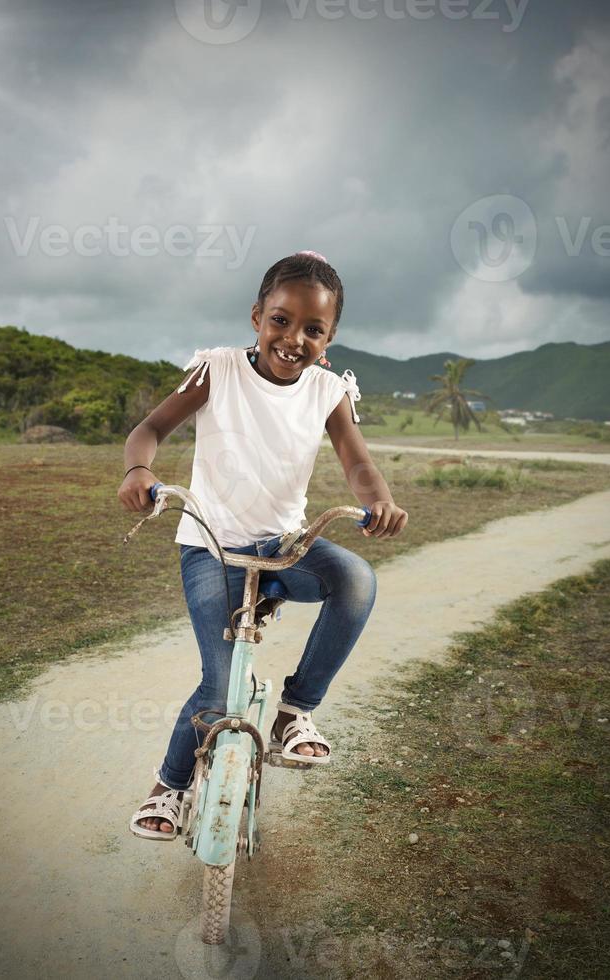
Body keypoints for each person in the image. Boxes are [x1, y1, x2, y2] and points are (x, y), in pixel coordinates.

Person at [117, 250, 408, 840]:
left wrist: (379, 498)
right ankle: (170, 788)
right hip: (211, 547)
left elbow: (358, 463)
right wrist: (138, 471)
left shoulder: (328, 391)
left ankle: (296, 713)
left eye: (313, 329)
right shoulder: (217, 370)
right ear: (256, 316)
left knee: (355, 580)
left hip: (285, 546)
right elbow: (148, 430)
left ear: (329, 339)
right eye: (281, 320)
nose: (293, 338)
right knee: (220, 690)